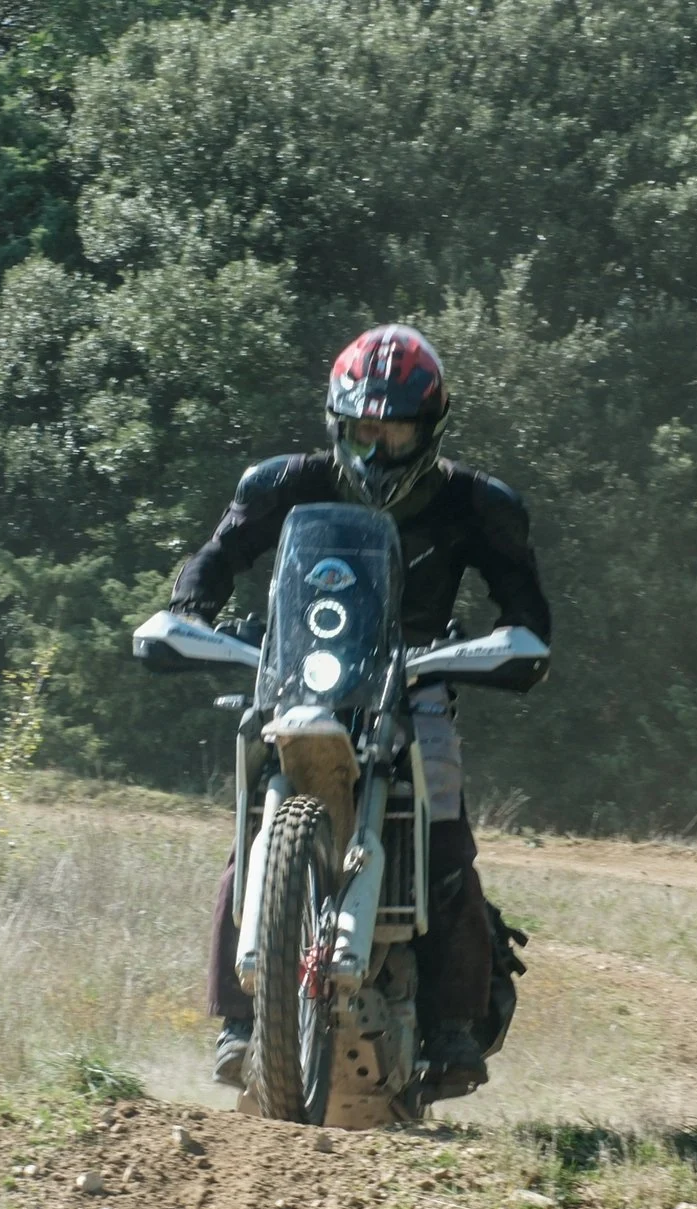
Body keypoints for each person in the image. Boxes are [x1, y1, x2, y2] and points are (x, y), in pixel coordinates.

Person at [168, 323, 551, 1092]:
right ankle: (242, 1021)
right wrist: (190, 606)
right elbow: (219, 554)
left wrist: (505, 645)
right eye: (360, 432)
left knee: (444, 843)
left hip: (416, 685)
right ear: (338, 425)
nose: (374, 452)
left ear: (431, 427)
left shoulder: (478, 504)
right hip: (301, 678)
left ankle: (449, 1031)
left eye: (394, 431)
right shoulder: (283, 484)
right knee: (251, 840)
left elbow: (528, 613)